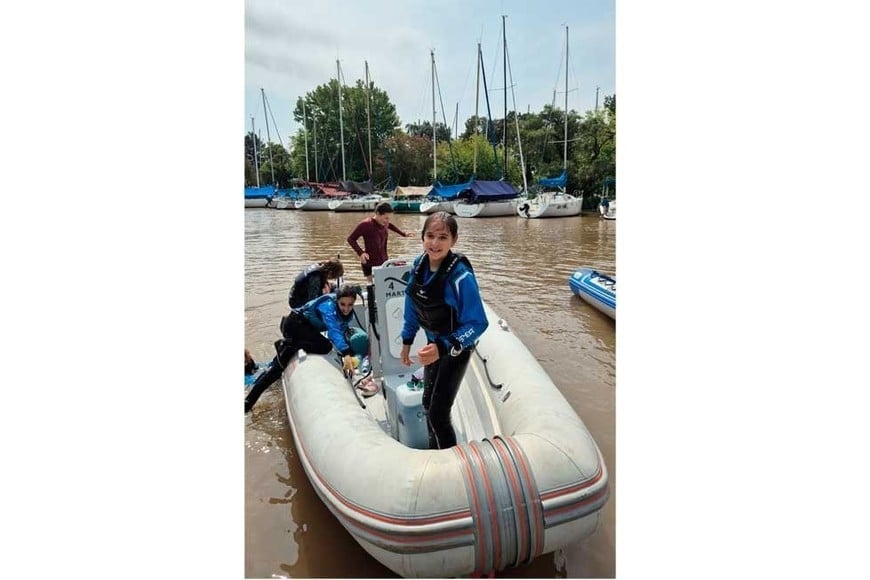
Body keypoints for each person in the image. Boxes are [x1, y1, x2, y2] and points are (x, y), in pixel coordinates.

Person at [399, 212, 489, 450]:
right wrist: (407, 340)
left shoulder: (461, 277)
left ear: (454, 241)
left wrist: (444, 346)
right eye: (430, 236)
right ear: (422, 237)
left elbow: (479, 323)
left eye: (442, 237)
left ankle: (450, 461)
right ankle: (434, 450)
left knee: (439, 412)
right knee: (427, 402)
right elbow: (412, 303)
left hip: (455, 349)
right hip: (433, 345)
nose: (435, 243)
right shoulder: (418, 265)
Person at [245, 284, 373, 414]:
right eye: (343, 304)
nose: (346, 308)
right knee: (325, 346)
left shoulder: (344, 311)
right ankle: (293, 344)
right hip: (295, 325)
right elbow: (334, 331)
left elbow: (340, 329)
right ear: (337, 300)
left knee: (276, 370)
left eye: (350, 305)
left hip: (306, 328)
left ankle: (247, 403)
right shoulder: (328, 307)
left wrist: (346, 352)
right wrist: (345, 353)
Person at [346, 201, 412, 284]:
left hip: (384, 262)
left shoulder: (385, 223)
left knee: (384, 285)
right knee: (372, 287)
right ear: (377, 213)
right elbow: (351, 239)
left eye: (389, 218)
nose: (387, 221)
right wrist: (361, 253)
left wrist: (403, 234)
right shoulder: (365, 224)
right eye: (386, 218)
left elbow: (390, 225)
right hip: (370, 263)